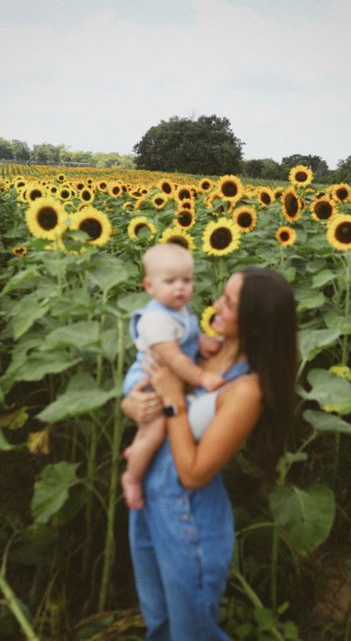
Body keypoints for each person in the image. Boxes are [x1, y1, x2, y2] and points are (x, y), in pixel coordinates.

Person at [122, 266, 298, 640]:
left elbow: (193, 472)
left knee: (193, 633)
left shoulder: (246, 391)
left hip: (190, 525)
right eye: (222, 294)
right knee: (160, 625)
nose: (215, 305)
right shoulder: (198, 350)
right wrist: (133, 405)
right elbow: (143, 382)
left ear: (253, 324)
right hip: (147, 506)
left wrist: (172, 400)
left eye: (229, 303)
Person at [122, 243, 224, 509]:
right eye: (170, 281)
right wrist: (202, 377)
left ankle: (139, 448)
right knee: (156, 429)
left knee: (156, 429)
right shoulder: (156, 320)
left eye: (187, 280)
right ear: (149, 286)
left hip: (170, 378)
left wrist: (201, 341)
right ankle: (131, 477)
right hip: (148, 380)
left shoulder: (178, 310)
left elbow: (184, 337)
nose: (180, 287)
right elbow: (175, 360)